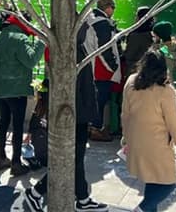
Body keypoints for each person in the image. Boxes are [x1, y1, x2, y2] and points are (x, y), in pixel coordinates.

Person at [22, 14, 110, 212]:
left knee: (75, 159)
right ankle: (37, 192)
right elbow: (82, 90)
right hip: (75, 115)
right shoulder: (76, 54)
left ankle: (83, 199)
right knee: (71, 159)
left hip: (74, 114)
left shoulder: (67, 52)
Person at [121, 49, 176, 212]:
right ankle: (142, 209)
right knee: (169, 184)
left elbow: (125, 114)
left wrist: (126, 136)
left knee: (152, 181)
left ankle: (147, 209)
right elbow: (175, 124)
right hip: (158, 145)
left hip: (137, 141)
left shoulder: (131, 82)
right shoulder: (165, 91)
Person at [0, 12, 43, 175]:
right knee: (17, 126)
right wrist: (41, 42)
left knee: (3, 122)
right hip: (17, 89)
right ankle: (16, 162)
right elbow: (31, 60)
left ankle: (0, 158)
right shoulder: (20, 39)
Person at [88, 0, 122, 142]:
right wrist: (114, 66)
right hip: (101, 69)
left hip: (91, 66)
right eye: (113, 8)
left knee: (94, 99)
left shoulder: (91, 20)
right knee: (100, 100)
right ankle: (96, 129)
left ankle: (92, 127)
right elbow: (105, 49)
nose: (113, 11)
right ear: (107, 8)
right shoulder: (102, 24)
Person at [121, 6, 155, 78]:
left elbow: (130, 55)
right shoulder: (153, 33)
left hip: (136, 71)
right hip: (152, 69)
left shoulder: (135, 35)